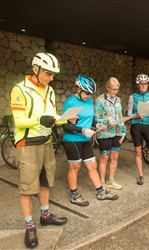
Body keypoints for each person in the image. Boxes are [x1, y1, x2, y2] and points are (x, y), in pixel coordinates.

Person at [10, 53, 71, 248]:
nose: (51, 78)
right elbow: (19, 122)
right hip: (27, 143)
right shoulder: (19, 89)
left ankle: (45, 215)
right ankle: (29, 226)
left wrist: (66, 118)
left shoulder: (50, 91)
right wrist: (39, 120)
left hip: (46, 143)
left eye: (54, 74)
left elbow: (51, 117)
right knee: (27, 187)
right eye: (48, 73)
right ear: (35, 69)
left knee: (46, 181)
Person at [62, 74, 118, 207]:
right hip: (72, 139)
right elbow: (65, 125)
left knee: (92, 165)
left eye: (90, 93)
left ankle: (101, 192)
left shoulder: (88, 102)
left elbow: (91, 118)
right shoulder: (70, 102)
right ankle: (74, 195)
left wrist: (97, 124)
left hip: (85, 139)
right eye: (87, 93)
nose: (88, 96)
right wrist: (82, 130)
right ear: (78, 89)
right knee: (75, 167)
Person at [95, 77, 126, 190]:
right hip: (105, 133)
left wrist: (123, 132)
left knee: (114, 158)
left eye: (117, 89)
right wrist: (107, 122)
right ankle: (102, 182)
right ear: (107, 88)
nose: (116, 92)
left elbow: (120, 116)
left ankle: (111, 179)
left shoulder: (118, 100)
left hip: (117, 132)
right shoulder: (99, 100)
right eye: (113, 89)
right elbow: (96, 118)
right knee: (104, 158)